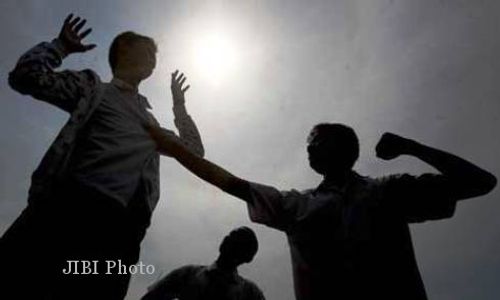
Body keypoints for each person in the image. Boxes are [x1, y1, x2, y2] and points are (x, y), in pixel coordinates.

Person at [148, 123, 496, 300]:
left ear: (341, 145)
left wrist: (411, 147)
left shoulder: (389, 191)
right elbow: (229, 182)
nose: (309, 146)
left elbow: (479, 182)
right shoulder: (294, 205)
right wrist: (176, 149)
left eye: (315, 138)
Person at [0, 14, 204, 299]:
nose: (153, 59)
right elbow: (25, 77)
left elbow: (194, 152)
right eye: (147, 50)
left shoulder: (151, 126)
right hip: (60, 213)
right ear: (123, 49)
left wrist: (179, 107)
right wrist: (60, 46)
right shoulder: (93, 89)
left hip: (117, 234)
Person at [141, 226, 265, 300]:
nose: (229, 239)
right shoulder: (187, 274)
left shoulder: (251, 292)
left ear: (247, 257)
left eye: (239, 242)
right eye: (230, 235)